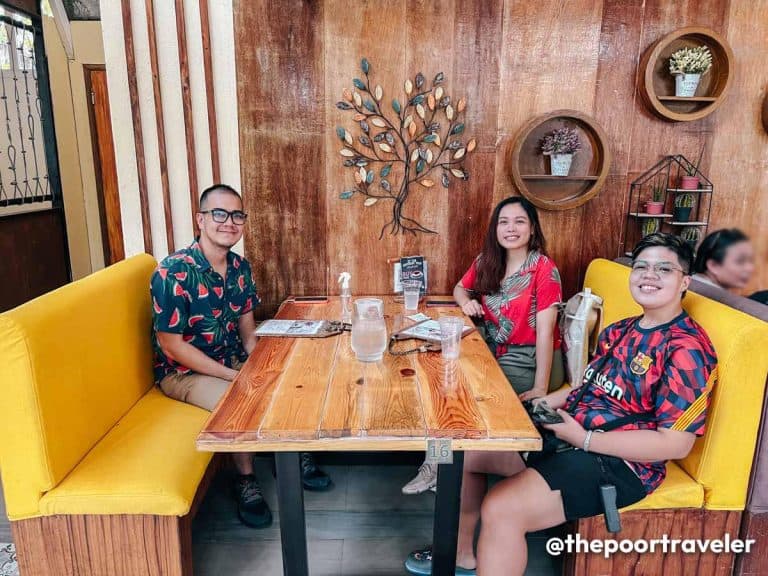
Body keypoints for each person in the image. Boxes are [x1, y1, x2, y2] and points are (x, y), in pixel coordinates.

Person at [404, 233, 717, 576]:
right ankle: (461, 555)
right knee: (461, 453)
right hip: (570, 436)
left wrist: (584, 438)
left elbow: (675, 444)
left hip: (622, 464)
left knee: (502, 508)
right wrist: (535, 405)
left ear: (685, 282)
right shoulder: (621, 330)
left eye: (664, 269)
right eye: (641, 267)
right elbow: (588, 387)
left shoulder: (686, 350)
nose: (649, 275)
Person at [151, 184, 331, 529]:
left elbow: (248, 335)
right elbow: (172, 345)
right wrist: (235, 376)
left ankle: (287, 456)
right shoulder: (172, 272)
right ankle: (246, 480)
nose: (229, 222)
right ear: (201, 219)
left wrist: (267, 366)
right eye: (219, 214)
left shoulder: (239, 267)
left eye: (237, 215)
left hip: (231, 357)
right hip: (183, 372)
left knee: (289, 378)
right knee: (240, 400)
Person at [402, 196, 564, 495]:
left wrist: (541, 387)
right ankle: (440, 464)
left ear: (532, 228)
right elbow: (459, 288)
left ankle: (438, 467)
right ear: (495, 228)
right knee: (444, 385)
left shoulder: (544, 269)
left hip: (529, 358)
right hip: (490, 350)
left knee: (461, 397)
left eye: (519, 222)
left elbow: (545, 332)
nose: (511, 228)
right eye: (504, 222)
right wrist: (467, 302)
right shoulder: (488, 261)